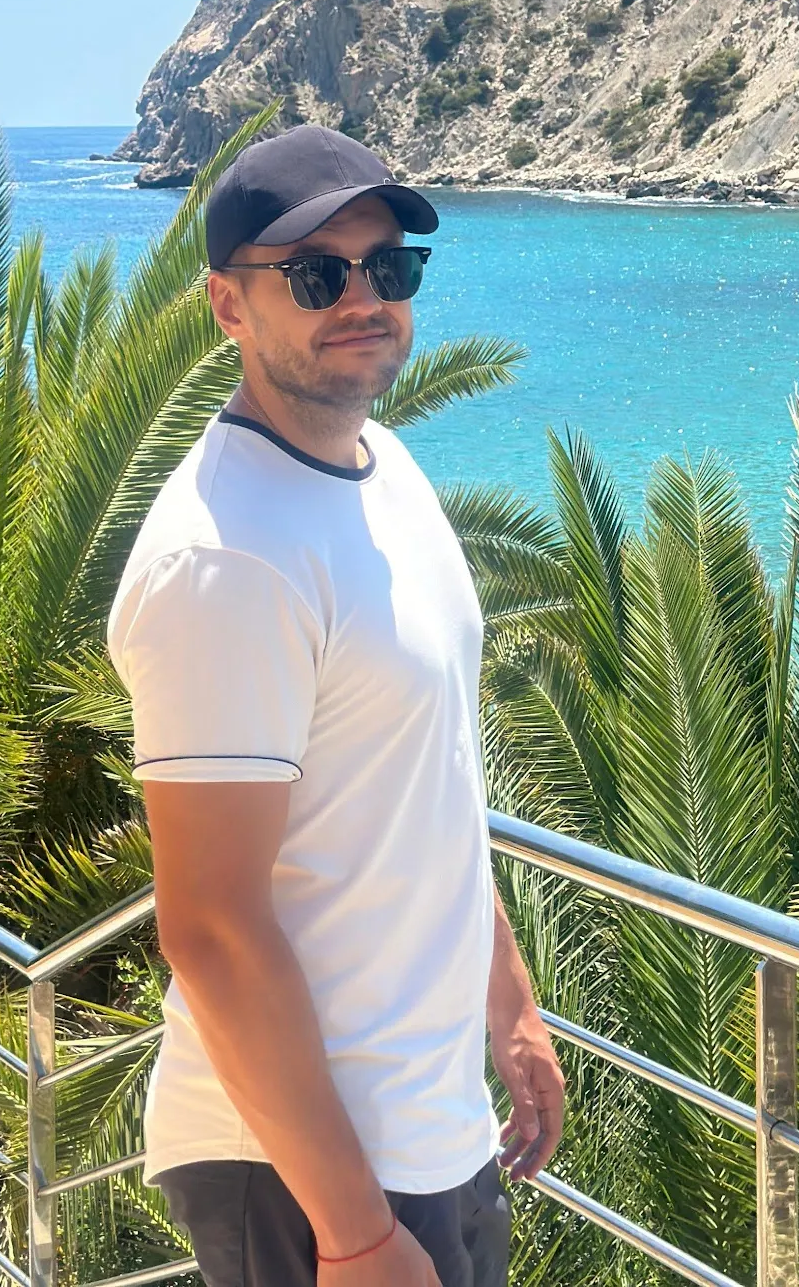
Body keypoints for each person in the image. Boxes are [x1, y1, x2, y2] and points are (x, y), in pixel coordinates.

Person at [107, 125, 564, 1287]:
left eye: (389, 266)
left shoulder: (387, 470)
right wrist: (353, 1231)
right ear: (227, 306)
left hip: (425, 1122)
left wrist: (507, 1001)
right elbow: (210, 926)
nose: (363, 296)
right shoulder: (228, 558)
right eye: (317, 274)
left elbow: (429, 782)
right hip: (302, 1165)